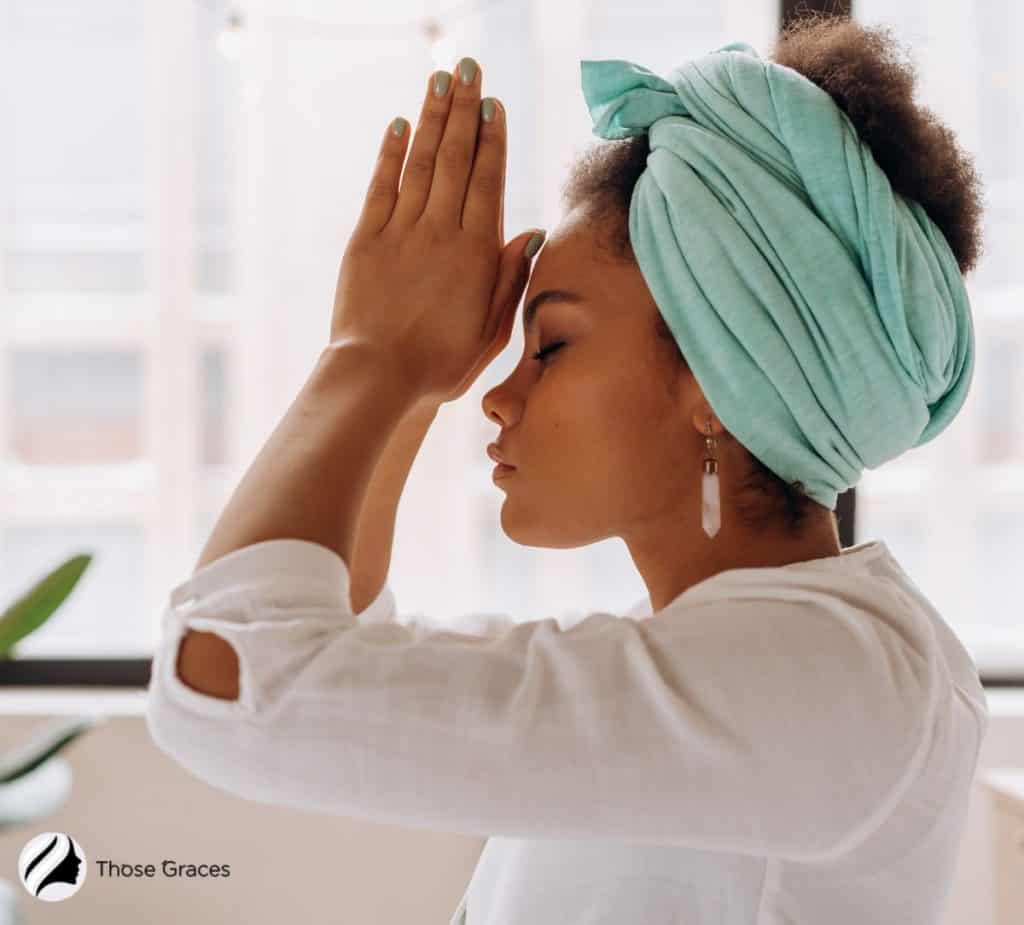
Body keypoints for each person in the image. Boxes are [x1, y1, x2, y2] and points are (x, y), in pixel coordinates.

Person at [146, 13, 988, 924]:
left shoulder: (835, 680)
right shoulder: (721, 656)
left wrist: (371, 358)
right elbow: (327, 633)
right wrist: (415, 389)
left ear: (715, 381)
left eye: (547, 345)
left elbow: (227, 678)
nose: (497, 397)